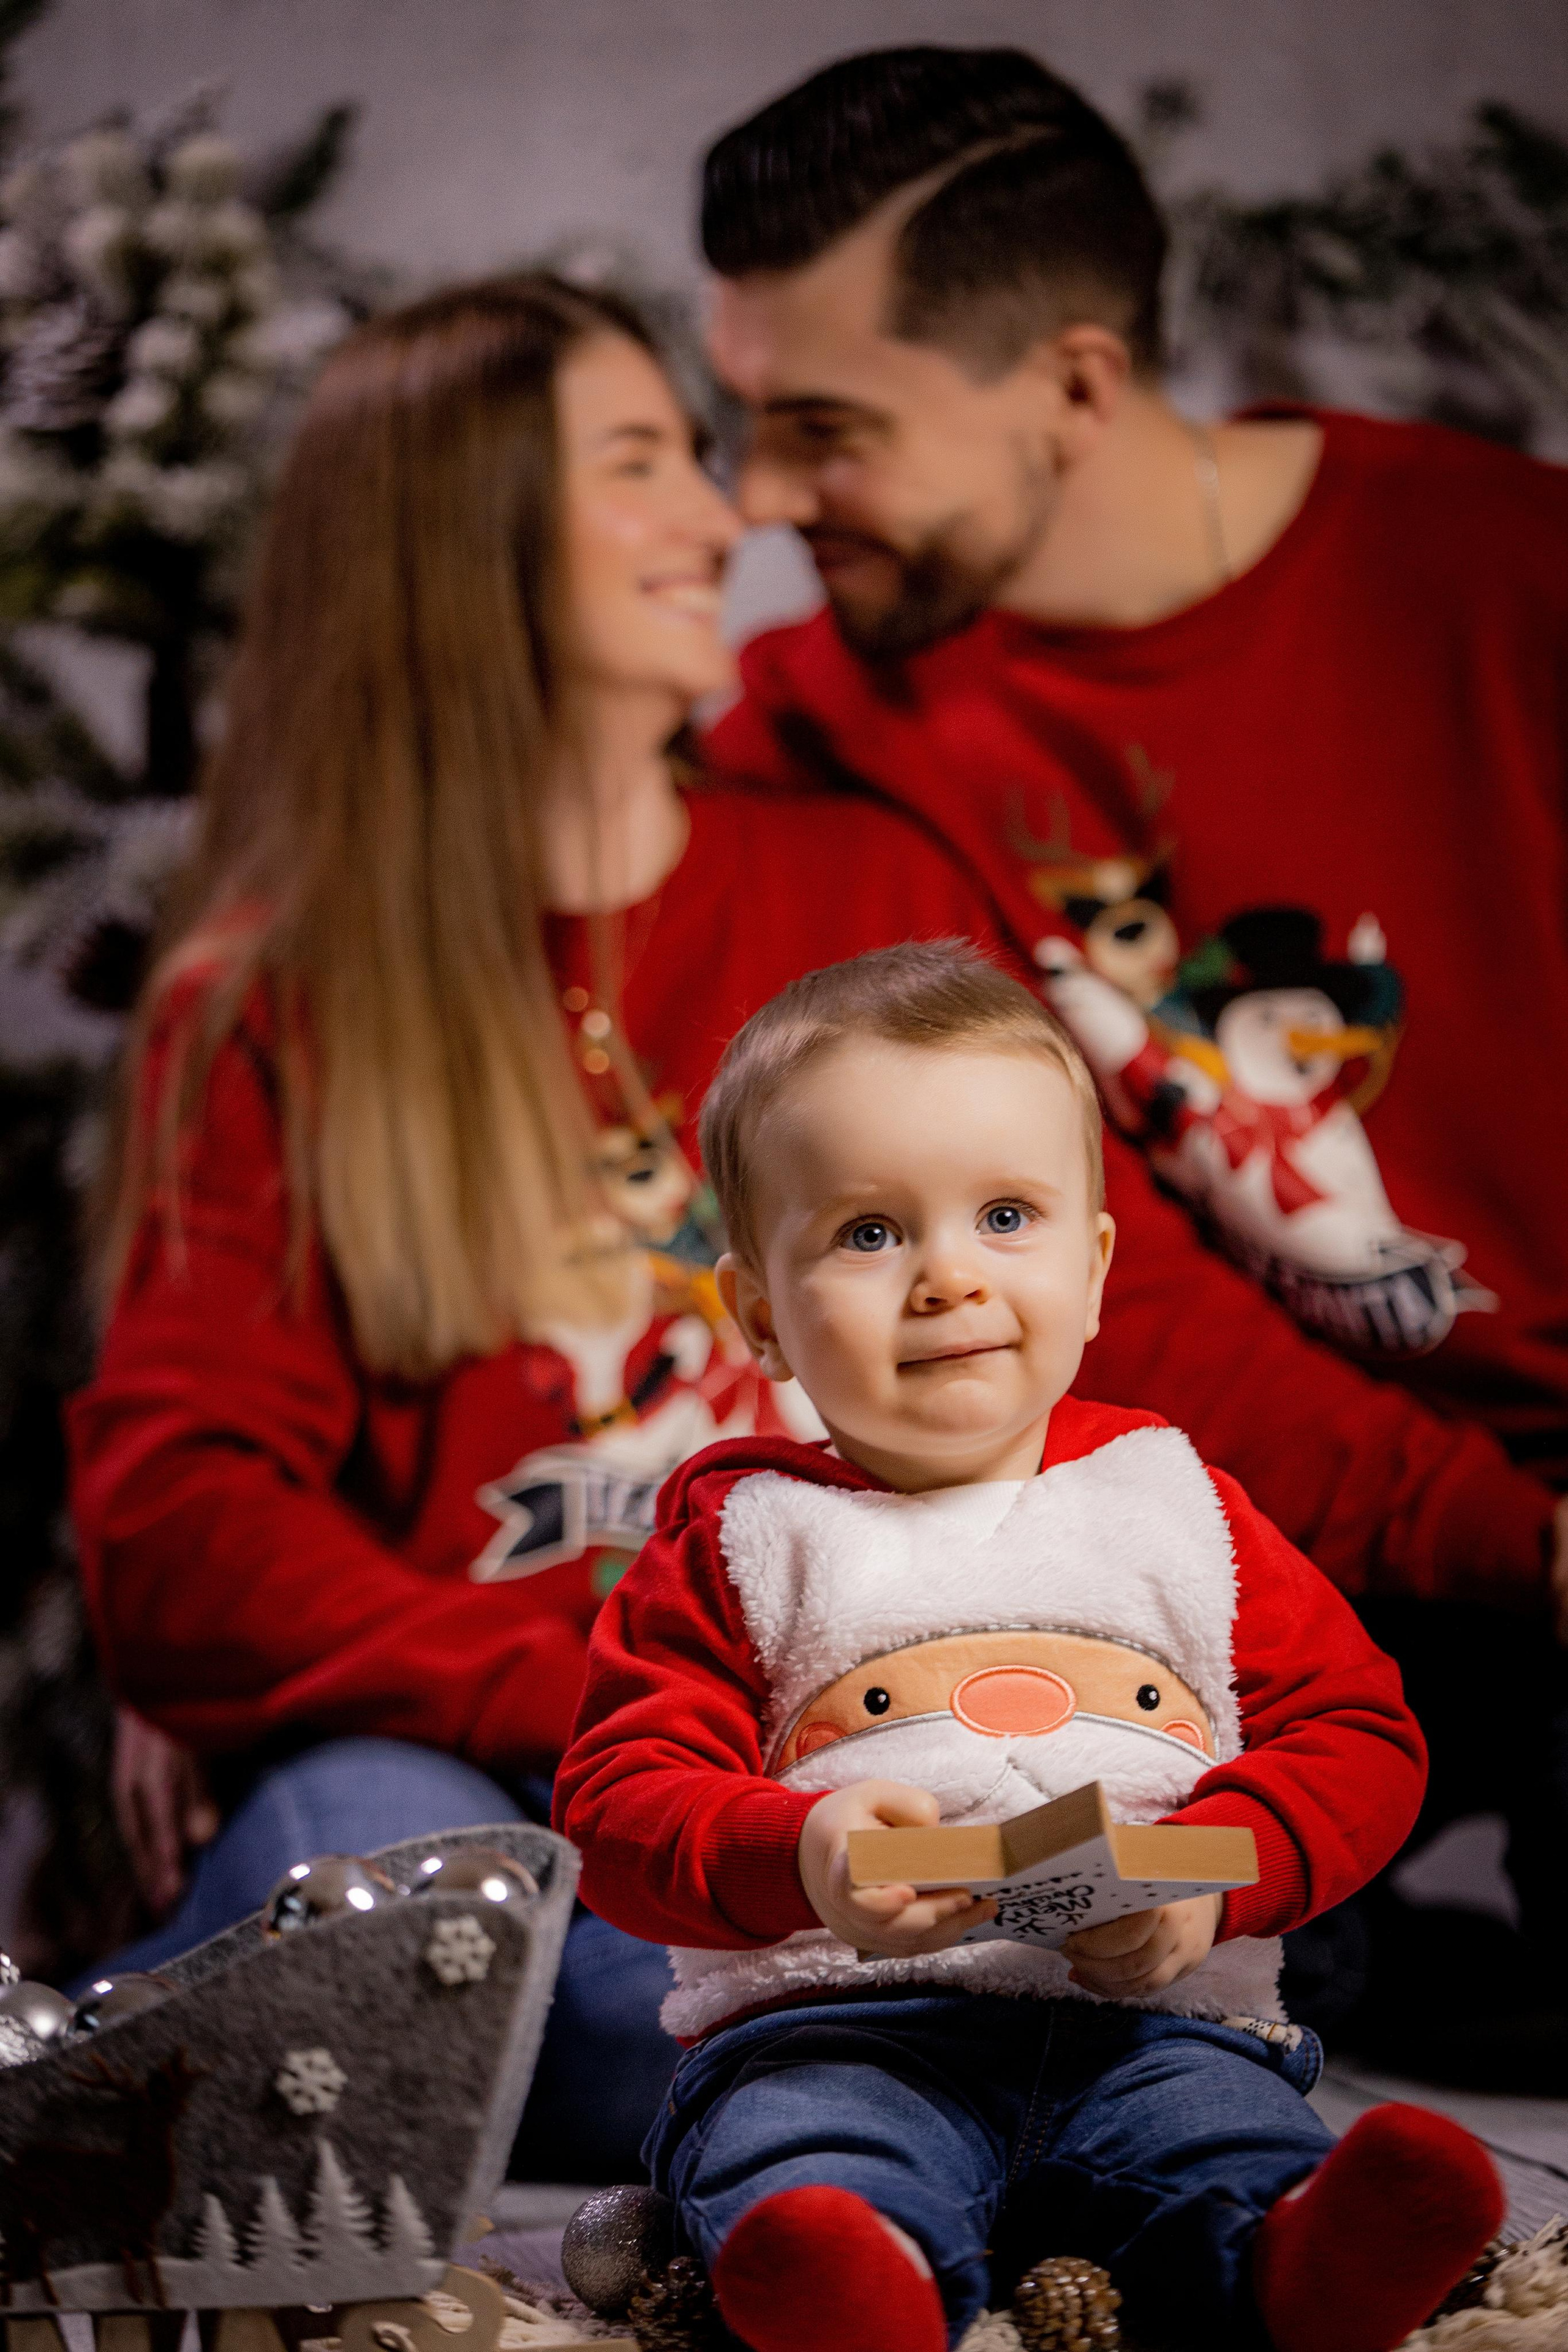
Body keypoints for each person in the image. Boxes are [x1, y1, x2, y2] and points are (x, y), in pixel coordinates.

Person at [66, 273, 1036, 2177]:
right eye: (641, 463)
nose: (723, 514)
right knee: (363, 1848)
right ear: (466, 546)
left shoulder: (868, 894)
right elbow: (180, 1533)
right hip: (488, 1781)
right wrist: (585, 1674)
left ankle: (145, 2072)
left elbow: (1069, 1330)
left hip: (829, 1766)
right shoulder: (288, 990)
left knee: (492, 1949)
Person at [697, 45, 1568, 2081]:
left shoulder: (1507, 583)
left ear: (1077, 384)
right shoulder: (832, 721)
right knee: (1107, 2002)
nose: (758, 500)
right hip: (1256, 1545)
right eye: (747, 420)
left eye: (826, 428)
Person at [555, 941, 1501, 2352]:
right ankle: (853, 2278)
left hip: (1152, 2020)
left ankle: (1294, 2263)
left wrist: (1211, 1887)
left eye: (1006, 1215)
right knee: (803, 2151)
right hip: (838, 2030)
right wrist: (799, 1853)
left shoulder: (1179, 1508)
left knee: (1220, 2135)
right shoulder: (743, 1541)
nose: (946, 1277)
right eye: (869, 1234)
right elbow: (615, 1806)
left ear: (1095, 1265)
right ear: (759, 1314)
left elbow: (1357, 1739)